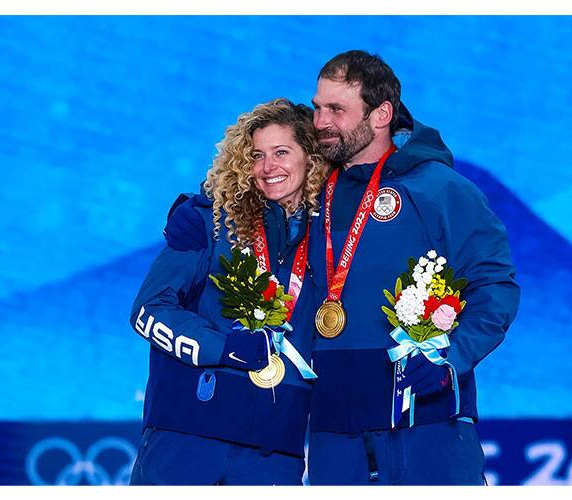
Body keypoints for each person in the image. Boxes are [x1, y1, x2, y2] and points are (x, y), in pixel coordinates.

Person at [165, 50, 520, 485]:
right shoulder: (314, 188)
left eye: (336, 110)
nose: (320, 122)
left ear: (380, 114)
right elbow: (257, 177)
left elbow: (495, 284)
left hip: (423, 415)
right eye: (317, 107)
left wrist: (453, 359)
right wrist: (199, 206)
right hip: (334, 431)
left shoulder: (439, 189)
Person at [129, 98, 328, 485]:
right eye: (257, 155)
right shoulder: (207, 220)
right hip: (188, 438)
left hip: (275, 451)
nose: (269, 167)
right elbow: (148, 310)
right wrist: (221, 348)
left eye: (282, 152)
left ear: (312, 159)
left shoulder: (330, 242)